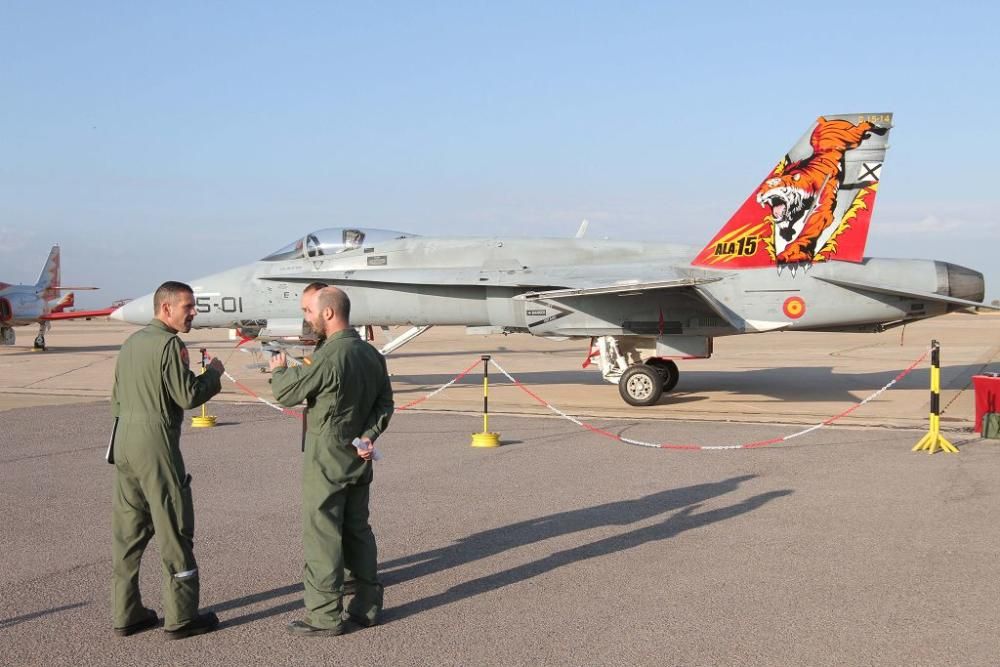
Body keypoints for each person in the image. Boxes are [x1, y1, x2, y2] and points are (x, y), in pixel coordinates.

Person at [269, 285, 394, 636]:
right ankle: (367, 607)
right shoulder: (371, 354)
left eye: (309, 312)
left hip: (327, 455)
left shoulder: (331, 355)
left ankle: (323, 615)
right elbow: (385, 404)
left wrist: (278, 370)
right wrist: (369, 435)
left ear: (328, 313)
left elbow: (287, 392)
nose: (306, 318)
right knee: (358, 530)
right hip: (358, 454)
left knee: (323, 533)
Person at [109, 281, 225, 639]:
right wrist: (214, 376)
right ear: (165, 309)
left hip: (123, 440)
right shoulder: (170, 345)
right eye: (187, 307)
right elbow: (187, 395)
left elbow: (115, 395)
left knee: (128, 534)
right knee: (174, 527)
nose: (193, 313)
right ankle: (182, 616)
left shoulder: (132, 343)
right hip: (154, 443)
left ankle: (126, 612)